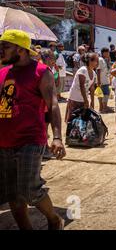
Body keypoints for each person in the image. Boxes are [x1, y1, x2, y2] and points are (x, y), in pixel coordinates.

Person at [0, 30, 66, 230]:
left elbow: (53, 104)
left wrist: (57, 137)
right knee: (12, 193)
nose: (1, 50)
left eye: (6, 46)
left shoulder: (41, 71)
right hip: (3, 140)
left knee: (30, 188)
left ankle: (55, 220)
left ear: (21, 49)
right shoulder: (3, 72)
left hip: (30, 138)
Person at [66, 53, 98, 122]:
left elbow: (92, 88)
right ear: (90, 61)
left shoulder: (94, 73)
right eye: (96, 61)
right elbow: (82, 86)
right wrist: (86, 100)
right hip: (75, 98)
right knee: (72, 120)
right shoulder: (83, 70)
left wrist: (92, 101)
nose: (97, 63)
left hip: (83, 99)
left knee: (82, 120)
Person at [97, 48, 112, 114]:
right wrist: (98, 81)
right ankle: (102, 108)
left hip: (106, 80)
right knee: (103, 94)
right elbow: (98, 70)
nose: (108, 54)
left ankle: (103, 108)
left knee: (105, 94)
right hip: (102, 80)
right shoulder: (100, 60)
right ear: (104, 53)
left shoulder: (105, 60)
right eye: (107, 52)